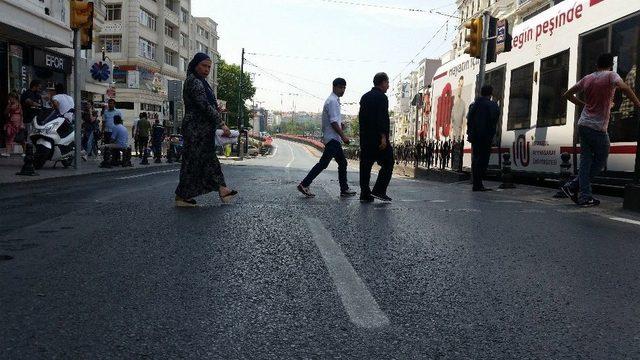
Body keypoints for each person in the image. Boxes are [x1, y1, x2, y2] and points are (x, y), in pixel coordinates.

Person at [561, 53, 640, 207]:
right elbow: (625, 88)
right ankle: (577, 190)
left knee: (586, 161)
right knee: (601, 158)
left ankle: (580, 192)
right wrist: (638, 104)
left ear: (597, 64)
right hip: (597, 127)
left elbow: (567, 94)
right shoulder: (611, 76)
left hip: (583, 124)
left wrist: (584, 104)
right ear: (610, 64)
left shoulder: (588, 78)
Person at [174, 52, 237, 207]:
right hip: (195, 129)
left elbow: (210, 105)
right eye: (204, 66)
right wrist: (222, 124)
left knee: (203, 161)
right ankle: (183, 196)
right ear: (195, 65)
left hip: (202, 130)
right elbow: (204, 106)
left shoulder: (202, 82)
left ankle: (221, 189)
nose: (207, 69)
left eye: (209, 67)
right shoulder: (194, 81)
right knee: (195, 162)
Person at [297, 78, 356, 198]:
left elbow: (334, 122)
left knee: (342, 162)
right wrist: (343, 136)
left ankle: (344, 189)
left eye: (344, 87)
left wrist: (341, 126)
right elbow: (334, 123)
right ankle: (304, 183)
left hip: (333, 139)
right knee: (324, 163)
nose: (343, 90)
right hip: (333, 139)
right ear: (334, 87)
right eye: (341, 87)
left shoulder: (334, 101)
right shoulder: (333, 101)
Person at [358, 72, 394, 202]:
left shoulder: (365, 97)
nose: (388, 86)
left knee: (365, 166)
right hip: (378, 139)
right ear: (383, 83)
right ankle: (379, 190)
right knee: (389, 162)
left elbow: (362, 119)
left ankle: (365, 194)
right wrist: (383, 137)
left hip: (365, 138)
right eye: (387, 83)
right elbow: (382, 118)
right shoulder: (382, 98)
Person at [467, 85, 500, 191]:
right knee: (483, 160)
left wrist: (470, 133)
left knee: (476, 159)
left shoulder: (475, 105)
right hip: (486, 137)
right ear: (491, 94)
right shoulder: (492, 105)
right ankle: (479, 184)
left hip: (475, 137)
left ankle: (476, 184)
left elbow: (469, 120)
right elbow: (494, 119)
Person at [20, 80, 41, 151]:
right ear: (35, 86)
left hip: (35, 118)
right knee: (29, 134)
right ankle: (28, 151)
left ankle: (33, 150)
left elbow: (40, 99)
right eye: (39, 87)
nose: (40, 88)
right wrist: (37, 104)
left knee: (34, 134)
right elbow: (28, 101)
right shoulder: (27, 93)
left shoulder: (36, 94)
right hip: (28, 117)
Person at [2, 92, 24, 157]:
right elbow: (5, 113)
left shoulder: (18, 105)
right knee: (9, 137)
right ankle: (7, 152)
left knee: (21, 138)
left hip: (17, 123)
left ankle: (24, 151)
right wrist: (8, 107)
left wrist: (21, 123)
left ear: (13, 98)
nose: (9, 99)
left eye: (10, 98)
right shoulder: (10, 104)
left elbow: (21, 114)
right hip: (11, 122)